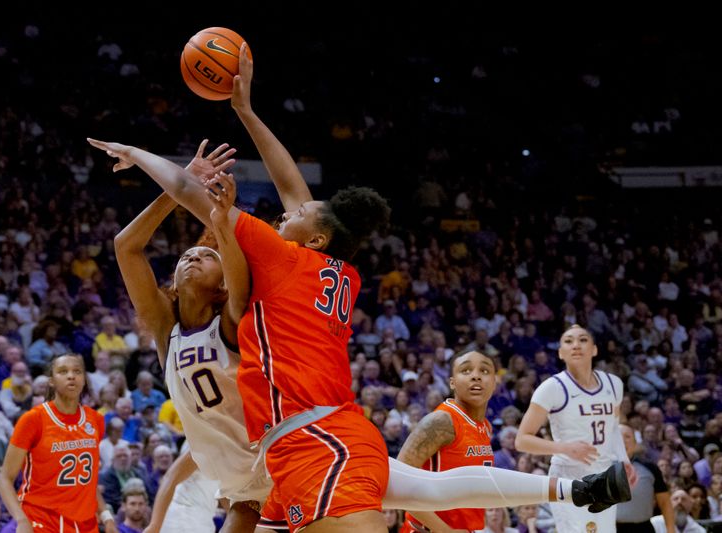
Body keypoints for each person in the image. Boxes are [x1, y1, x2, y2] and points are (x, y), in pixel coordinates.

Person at [88, 58, 632, 532]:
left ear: (316, 236)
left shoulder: (282, 260)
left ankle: (572, 489)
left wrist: (137, 153)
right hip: (331, 428)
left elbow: (192, 192)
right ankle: (571, 489)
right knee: (424, 488)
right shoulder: (332, 268)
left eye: (294, 217)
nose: (286, 211)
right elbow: (295, 191)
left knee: (423, 489)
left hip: (309, 437)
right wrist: (246, 112)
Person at [112, 142, 263, 533]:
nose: (193, 257)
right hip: (245, 492)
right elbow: (126, 246)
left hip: (277, 472)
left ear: (221, 286)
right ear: (174, 284)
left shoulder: (231, 319)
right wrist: (176, 190)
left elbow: (236, 256)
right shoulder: (168, 333)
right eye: (185, 257)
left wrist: (221, 221)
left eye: (206, 256)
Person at [516, 324, 637, 533]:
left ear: (595, 349)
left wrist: (624, 459)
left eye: (583, 340)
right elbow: (522, 440)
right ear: (561, 353)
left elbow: (613, 427)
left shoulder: (614, 384)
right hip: (568, 475)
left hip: (605, 474)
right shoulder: (552, 388)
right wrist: (564, 448)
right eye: (569, 341)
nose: (576, 345)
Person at [0, 353, 117, 533]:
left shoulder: (96, 420)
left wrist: (107, 517)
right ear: (52, 381)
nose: (71, 376)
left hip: (85, 523)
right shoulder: (33, 419)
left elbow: (88, 482)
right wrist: (21, 520)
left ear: (84, 379)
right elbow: (5, 478)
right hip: (41, 519)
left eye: (77, 371)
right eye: (63, 371)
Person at [397, 350, 496, 533]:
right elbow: (398, 482)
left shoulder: (484, 426)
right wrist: (444, 530)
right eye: (466, 371)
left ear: (494, 383)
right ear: (452, 383)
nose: (476, 376)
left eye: (484, 371)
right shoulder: (441, 421)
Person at [616, 424, 675, 532]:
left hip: (643, 528)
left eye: (627, 437)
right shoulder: (601, 468)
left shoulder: (650, 467)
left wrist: (671, 530)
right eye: (618, 437)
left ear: (635, 443)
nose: (623, 441)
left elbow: (665, 502)